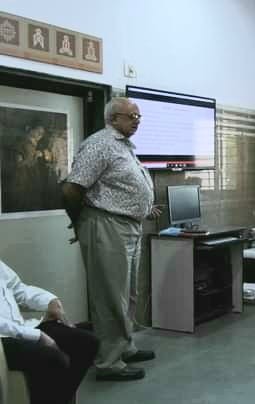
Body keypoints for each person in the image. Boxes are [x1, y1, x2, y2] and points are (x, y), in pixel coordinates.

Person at [61, 97, 161, 381]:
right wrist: (80, 223)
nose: (137, 121)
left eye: (139, 116)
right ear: (113, 118)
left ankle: (124, 348)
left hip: (127, 226)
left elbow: (118, 187)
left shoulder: (124, 146)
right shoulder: (100, 144)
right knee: (109, 297)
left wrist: (142, 207)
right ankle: (108, 363)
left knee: (127, 294)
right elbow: (71, 189)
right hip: (106, 225)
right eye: (132, 116)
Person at [1, 258, 99, 404]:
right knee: (51, 358)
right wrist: (37, 335)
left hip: (21, 328)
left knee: (88, 342)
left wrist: (49, 301)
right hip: (3, 339)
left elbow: (19, 289)